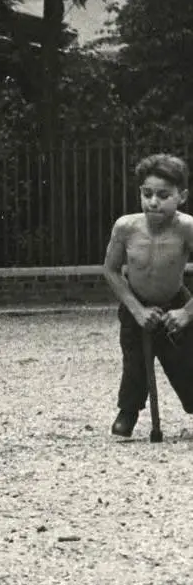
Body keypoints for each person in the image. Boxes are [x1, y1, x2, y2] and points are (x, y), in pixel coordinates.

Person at [104, 153, 193, 438]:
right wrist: (137, 311)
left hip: (175, 303)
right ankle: (128, 412)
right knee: (135, 363)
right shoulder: (126, 227)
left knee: (185, 362)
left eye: (164, 195)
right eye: (147, 194)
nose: (153, 202)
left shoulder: (187, 228)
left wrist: (186, 312)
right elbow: (111, 270)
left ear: (182, 196)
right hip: (136, 304)